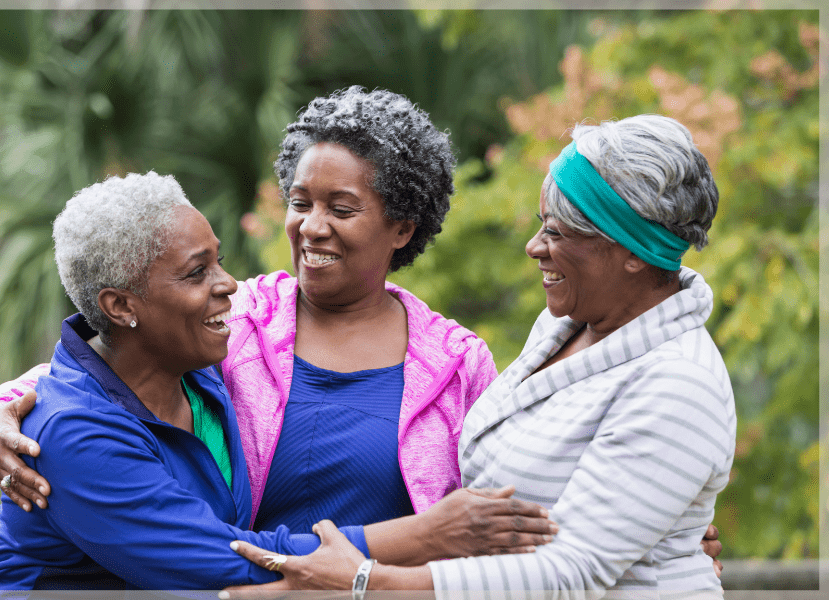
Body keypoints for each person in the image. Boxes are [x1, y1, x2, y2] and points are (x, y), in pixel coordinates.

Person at [0, 172, 554, 591]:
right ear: (121, 305)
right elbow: (222, 559)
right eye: (199, 272)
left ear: (402, 227)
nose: (227, 284)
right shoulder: (75, 433)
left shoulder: (209, 367)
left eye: (342, 209)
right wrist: (425, 536)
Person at [225, 114, 736, 596]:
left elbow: (574, 571)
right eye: (542, 224)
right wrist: (656, 525)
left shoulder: (679, 382)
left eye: (558, 232)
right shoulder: (562, 328)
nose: (534, 246)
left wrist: (362, 579)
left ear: (632, 251)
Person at [0, 87, 498, 530]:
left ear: (402, 227)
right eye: (299, 203)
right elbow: (102, 368)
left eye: (341, 209)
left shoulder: (457, 364)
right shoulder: (241, 317)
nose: (312, 226)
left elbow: (487, 516)